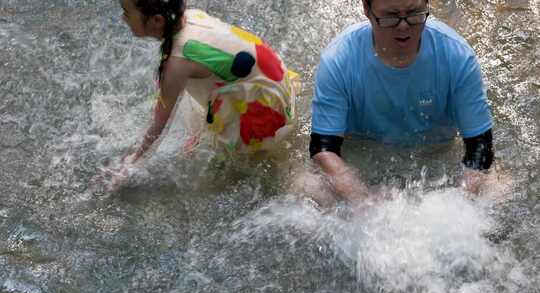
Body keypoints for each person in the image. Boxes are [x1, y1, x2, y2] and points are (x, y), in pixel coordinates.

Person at [305, 0, 499, 203]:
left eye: (415, 13)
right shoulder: (338, 59)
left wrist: (457, 205)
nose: (404, 25)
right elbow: (323, 149)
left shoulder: (457, 56)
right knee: (307, 187)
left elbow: (480, 147)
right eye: (390, 16)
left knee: (498, 190)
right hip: (361, 160)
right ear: (366, 9)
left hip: (435, 157)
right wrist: (363, 201)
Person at [105, 0, 298, 187]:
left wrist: (131, 164)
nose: (123, 18)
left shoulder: (177, 63)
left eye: (126, 12)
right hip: (274, 79)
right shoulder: (191, 16)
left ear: (157, 21)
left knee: (249, 169)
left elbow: (159, 128)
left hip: (265, 109)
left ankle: (290, 177)